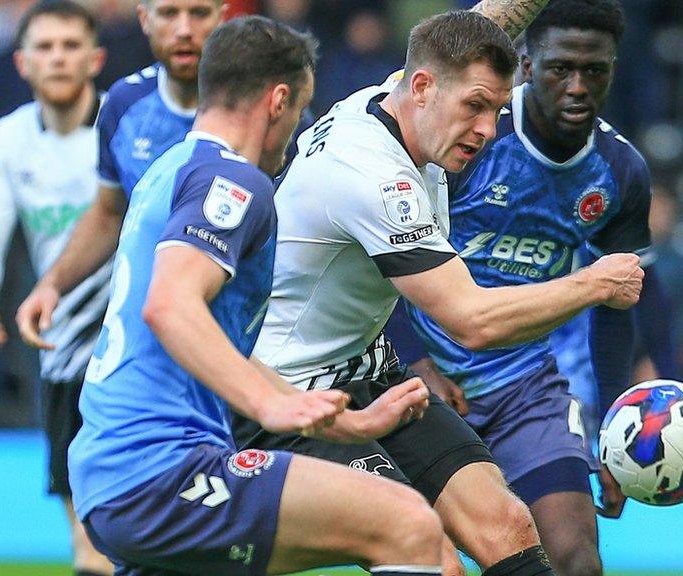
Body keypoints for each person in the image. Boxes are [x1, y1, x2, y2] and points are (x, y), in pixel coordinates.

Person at [246, 4, 643, 576]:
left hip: (369, 374)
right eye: (475, 108)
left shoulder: (401, 98)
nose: (487, 130)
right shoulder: (374, 176)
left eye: (497, 110)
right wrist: (592, 284)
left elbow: (471, 31)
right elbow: (471, 321)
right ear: (425, 88)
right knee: (429, 554)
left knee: (507, 526)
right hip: (289, 396)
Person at [68, 16, 441, 576]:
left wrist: (349, 427)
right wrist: (272, 407)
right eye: (297, 112)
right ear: (278, 99)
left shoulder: (169, 168)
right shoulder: (233, 181)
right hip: (157, 471)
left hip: (117, 473)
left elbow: (219, 343)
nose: (294, 130)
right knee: (409, 525)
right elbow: (169, 305)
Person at [383, 3, 674, 575]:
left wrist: (613, 433)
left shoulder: (620, 174)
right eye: (560, 68)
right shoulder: (474, 137)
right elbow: (381, 255)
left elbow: (617, 306)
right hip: (416, 383)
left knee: (576, 561)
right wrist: (416, 363)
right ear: (524, 65)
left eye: (595, 71)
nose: (578, 87)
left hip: (524, 388)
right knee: (427, 563)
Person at [0, 3, 114, 574]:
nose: (58, 57)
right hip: (62, 350)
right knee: (85, 539)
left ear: (95, 58)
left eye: (71, 45)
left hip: (140, 346)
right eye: (44, 47)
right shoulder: (9, 138)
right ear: (22, 63)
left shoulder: (124, 131)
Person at [15, 0, 223, 347]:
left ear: (223, 17)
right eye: (169, 13)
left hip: (241, 331)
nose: (184, 29)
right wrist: (52, 283)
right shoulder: (124, 105)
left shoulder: (258, 100)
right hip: (148, 334)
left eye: (199, 13)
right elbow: (108, 214)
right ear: (144, 18)